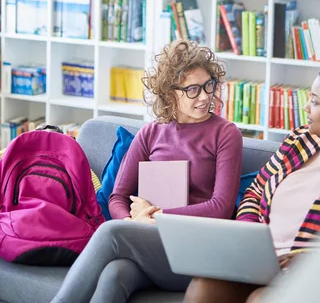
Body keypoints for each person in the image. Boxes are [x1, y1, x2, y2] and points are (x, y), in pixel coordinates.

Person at [184, 56, 320, 303]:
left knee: (261, 299)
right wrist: (250, 236)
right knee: (204, 287)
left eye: (316, 101)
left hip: (318, 276)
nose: (306, 107)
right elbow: (255, 191)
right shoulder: (300, 141)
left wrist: (310, 258)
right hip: (261, 265)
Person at [52, 40, 243, 303]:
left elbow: (221, 207)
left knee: (110, 232)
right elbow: (117, 197)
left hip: (196, 249)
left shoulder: (226, 134)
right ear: (169, 92)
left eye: (209, 85)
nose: (204, 96)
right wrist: (135, 223)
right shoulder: (151, 133)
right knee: (114, 274)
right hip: (150, 242)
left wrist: (159, 216)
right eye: (193, 89)